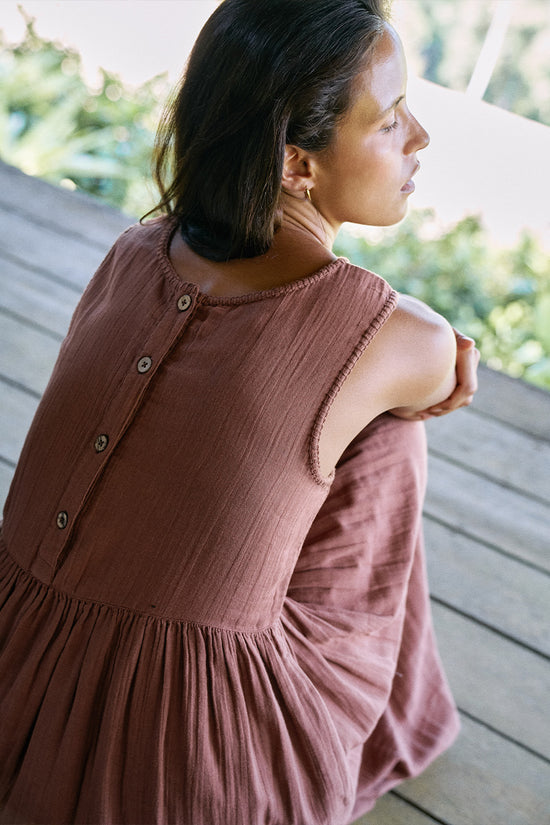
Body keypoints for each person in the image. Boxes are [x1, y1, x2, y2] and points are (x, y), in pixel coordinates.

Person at [0, 1, 480, 823]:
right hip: (181, 749)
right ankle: (397, 721)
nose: (421, 139)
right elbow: (440, 369)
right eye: (392, 118)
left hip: (19, 654)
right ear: (297, 164)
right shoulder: (388, 333)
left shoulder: (134, 254)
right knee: (386, 432)